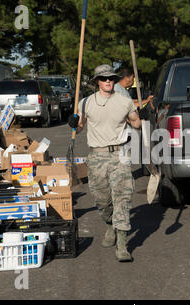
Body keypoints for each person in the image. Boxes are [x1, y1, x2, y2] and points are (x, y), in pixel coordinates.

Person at [68, 64, 141, 262]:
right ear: (96, 82)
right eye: (103, 78)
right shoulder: (85, 103)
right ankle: (110, 224)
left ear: (114, 80)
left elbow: (136, 122)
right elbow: (80, 128)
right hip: (97, 157)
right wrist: (75, 123)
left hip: (120, 155)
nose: (107, 81)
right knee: (102, 200)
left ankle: (122, 244)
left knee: (122, 198)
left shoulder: (124, 101)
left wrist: (141, 118)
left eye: (110, 78)